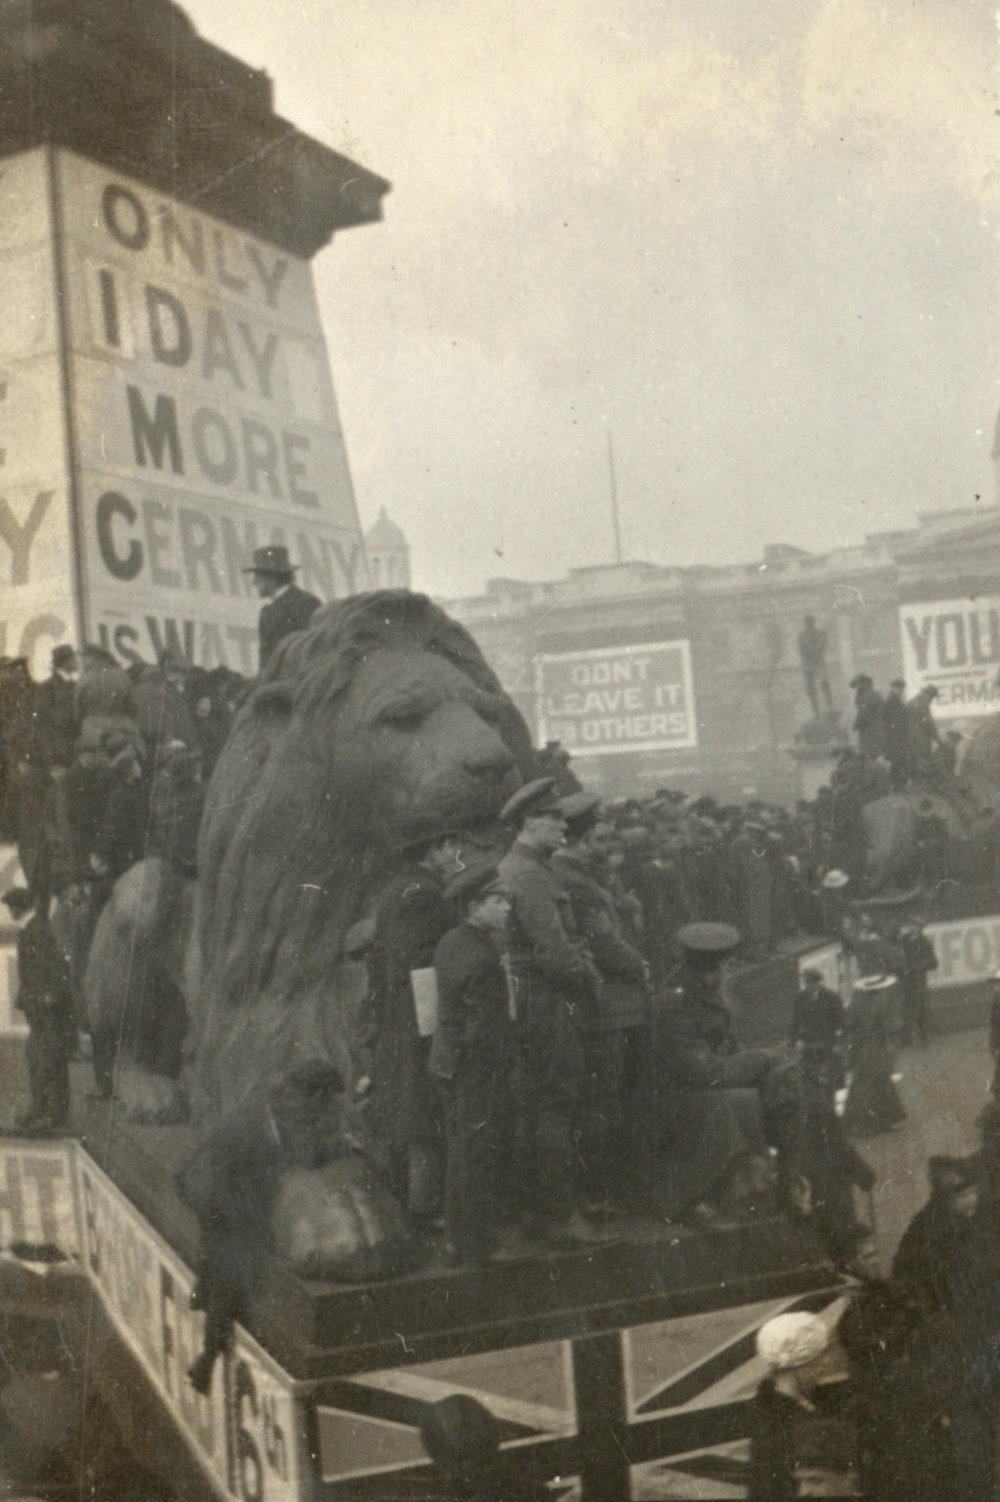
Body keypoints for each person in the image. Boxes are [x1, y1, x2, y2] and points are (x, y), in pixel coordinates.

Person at [497, 778, 613, 1247]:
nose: (564, 826)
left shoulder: (525, 868)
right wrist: (589, 979)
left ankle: (538, 1210)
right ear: (530, 822)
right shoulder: (529, 875)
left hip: (530, 997)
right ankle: (559, 1215)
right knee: (556, 1103)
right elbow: (556, 953)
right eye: (554, 818)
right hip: (543, 1000)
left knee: (541, 1104)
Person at [551, 791, 650, 1206]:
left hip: (612, 1003)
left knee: (606, 1097)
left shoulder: (583, 873)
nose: (608, 847)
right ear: (585, 838)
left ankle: (606, 1188)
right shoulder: (574, 878)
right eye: (601, 838)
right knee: (604, 1098)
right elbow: (605, 941)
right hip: (608, 1006)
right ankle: (601, 1192)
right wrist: (640, 967)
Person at [364, 822, 463, 1219]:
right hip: (422, 1014)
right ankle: (424, 1208)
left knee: (409, 1107)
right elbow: (420, 960)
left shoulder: (399, 889)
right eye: (452, 844)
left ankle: (409, 1202)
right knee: (423, 1110)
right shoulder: (424, 894)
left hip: (402, 1012)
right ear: (433, 849)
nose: (457, 853)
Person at [431, 864, 516, 1266]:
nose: (506, 908)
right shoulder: (483, 955)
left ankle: (455, 1239)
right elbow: (484, 1031)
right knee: (475, 1153)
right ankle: (474, 1245)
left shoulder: (451, 940)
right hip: (475, 1069)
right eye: (497, 901)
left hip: (449, 1062)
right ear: (474, 906)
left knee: (460, 1151)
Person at [748, 1298, 855, 1501]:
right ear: (799, 1362)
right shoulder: (786, 1423)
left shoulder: (769, 1406)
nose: (825, 1364)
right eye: (818, 1357)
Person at [842, 973, 906, 1136]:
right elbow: (894, 1026)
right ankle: (887, 1119)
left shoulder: (857, 1002)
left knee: (863, 1084)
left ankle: (862, 1123)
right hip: (879, 1048)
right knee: (880, 1082)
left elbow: (849, 1023)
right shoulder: (886, 1004)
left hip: (864, 1049)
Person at [243, 545, 321, 670]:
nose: (254, 582)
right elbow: (264, 664)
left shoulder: (306, 603)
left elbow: (317, 653)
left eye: (257, 575)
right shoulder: (266, 612)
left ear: (271, 576)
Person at [896, 920, 937, 1047]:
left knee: (920, 1008)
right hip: (905, 979)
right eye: (910, 925)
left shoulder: (924, 942)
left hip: (918, 979)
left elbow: (933, 962)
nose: (911, 928)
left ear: (919, 928)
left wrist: (920, 966)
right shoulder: (904, 940)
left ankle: (923, 1038)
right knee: (905, 1008)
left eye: (914, 926)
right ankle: (906, 1039)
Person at [797, 615, 834, 720]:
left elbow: (823, 645)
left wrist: (815, 651)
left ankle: (830, 705)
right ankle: (815, 711)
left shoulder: (821, 633)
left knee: (824, 684)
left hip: (819, 663)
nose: (809, 624)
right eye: (807, 622)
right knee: (810, 689)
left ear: (813, 622)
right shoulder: (801, 636)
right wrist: (810, 653)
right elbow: (801, 650)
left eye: (811, 622)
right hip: (808, 665)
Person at [849, 674, 885, 760]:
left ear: (864, 684)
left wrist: (855, 725)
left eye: (857, 685)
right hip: (877, 731)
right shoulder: (874, 694)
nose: (856, 688)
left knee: (870, 758)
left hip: (870, 733)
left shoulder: (867, 696)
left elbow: (863, 714)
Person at [883, 678, 909, 788]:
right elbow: (895, 720)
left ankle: (898, 784)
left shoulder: (893, 699)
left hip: (895, 737)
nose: (901, 691)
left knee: (898, 761)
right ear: (895, 688)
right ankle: (899, 785)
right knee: (898, 761)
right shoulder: (893, 701)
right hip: (896, 737)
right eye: (900, 689)